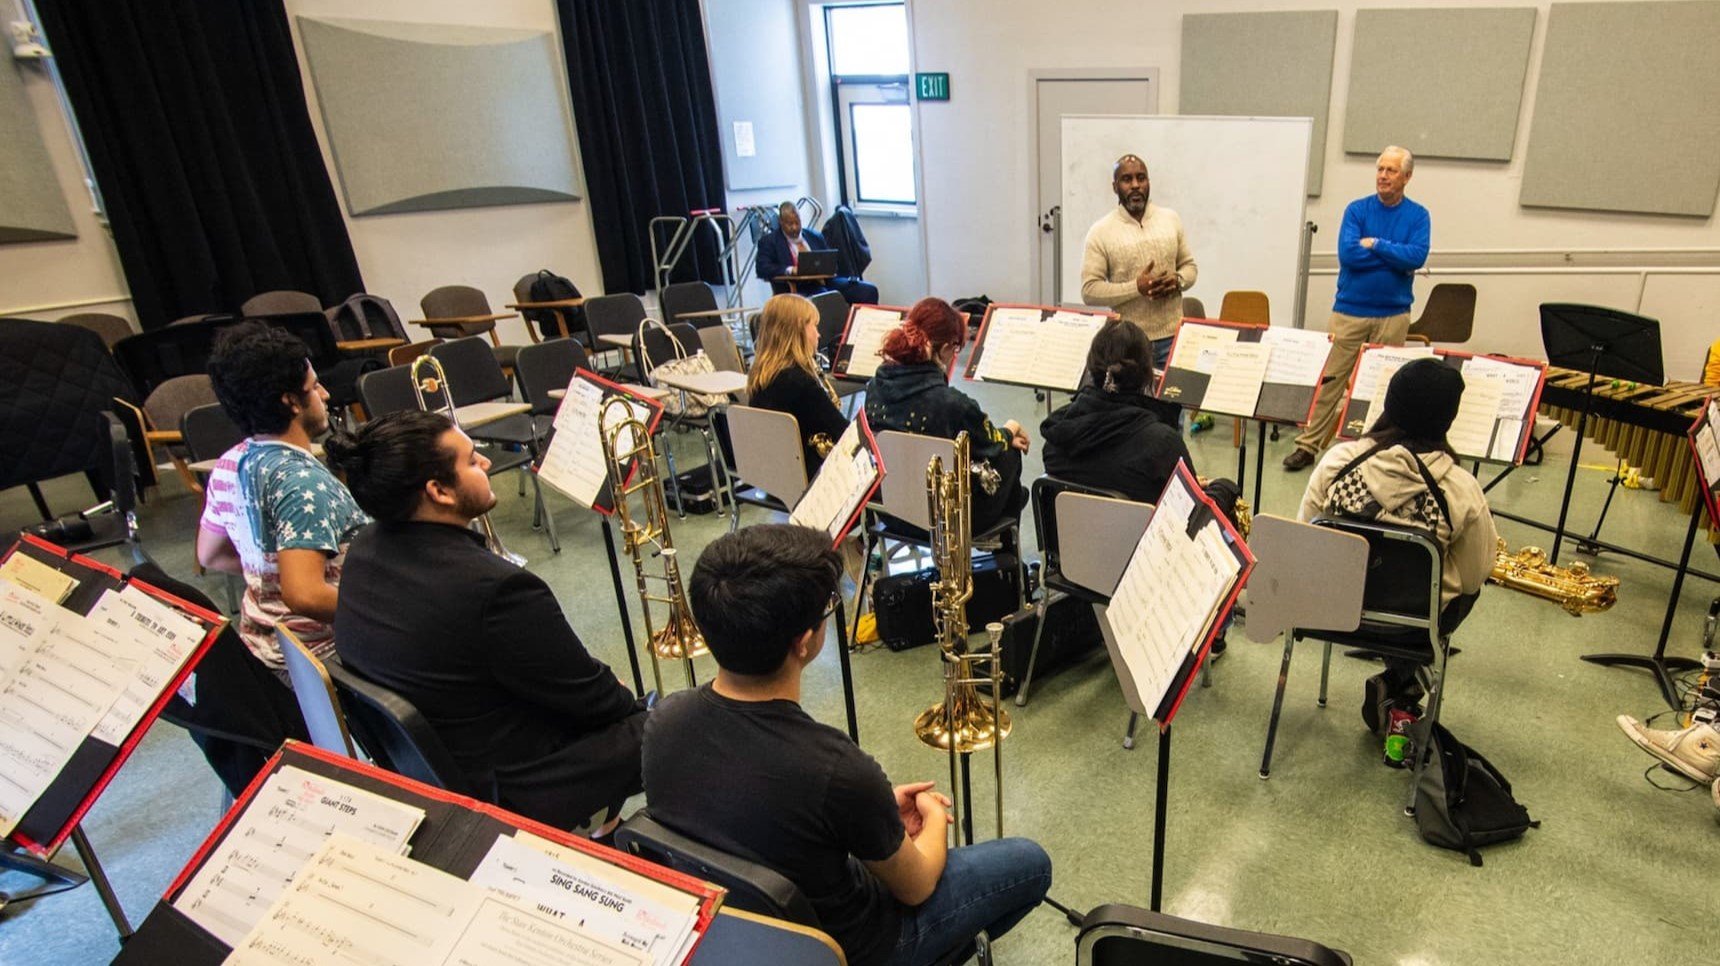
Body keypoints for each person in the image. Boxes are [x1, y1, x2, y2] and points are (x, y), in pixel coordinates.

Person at [644, 524, 1051, 966]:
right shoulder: (835, 767)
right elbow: (915, 886)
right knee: (1030, 863)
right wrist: (934, 819)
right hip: (849, 948)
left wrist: (870, 816)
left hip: (739, 932)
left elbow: (757, 811)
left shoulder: (664, 719)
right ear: (804, 642)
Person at [326, 410, 646, 835]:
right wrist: (627, 702)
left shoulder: (364, 550)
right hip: (513, 787)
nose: (487, 464)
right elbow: (596, 700)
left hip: (442, 766)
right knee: (672, 723)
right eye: (473, 460)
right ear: (438, 491)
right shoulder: (497, 589)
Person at [1298, 358, 1496, 755]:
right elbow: (1475, 575)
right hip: (1411, 626)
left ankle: (1399, 684)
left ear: (1389, 402)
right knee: (1461, 590)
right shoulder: (1461, 488)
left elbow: (1304, 538)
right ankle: (1402, 685)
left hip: (1331, 612)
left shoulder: (1337, 462)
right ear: (1448, 419)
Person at [197, 322, 369, 673]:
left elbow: (210, 554)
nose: (324, 395)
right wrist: (387, 607)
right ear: (291, 402)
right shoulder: (303, 482)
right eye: (314, 386)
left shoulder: (229, 464)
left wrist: (268, 577)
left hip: (264, 650)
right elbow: (305, 595)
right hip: (324, 656)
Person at [1285, 146, 1431, 471]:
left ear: (1406, 177)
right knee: (1331, 380)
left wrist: (1376, 244)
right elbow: (1349, 255)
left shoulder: (1418, 216)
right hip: (1349, 311)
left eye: (1391, 171)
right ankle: (1308, 446)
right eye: (1380, 169)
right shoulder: (1357, 210)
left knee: (1381, 387)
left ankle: (1372, 449)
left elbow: (1416, 257)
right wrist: (1394, 259)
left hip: (1393, 315)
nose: (1383, 176)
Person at [864, 297, 1029, 538]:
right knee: (1009, 453)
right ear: (943, 350)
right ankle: (1006, 563)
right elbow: (991, 444)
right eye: (955, 348)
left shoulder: (874, 387)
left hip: (892, 513)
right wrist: (1011, 429)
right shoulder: (953, 404)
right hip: (949, 520)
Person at [1041, 318, 1191, 504]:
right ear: (1146, 375)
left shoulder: (1056, 441)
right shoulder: (1162, 444)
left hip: (1072, 534)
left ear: (1090, 368)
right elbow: (1189, 512)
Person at [1079, 154, 1198, 370]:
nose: (1135, 185)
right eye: (1127, 179)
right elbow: (1089, 290)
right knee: (1133, 404)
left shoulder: (1170, 219)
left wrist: (1177, 281)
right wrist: (1136, 287)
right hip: (1127, 344)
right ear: (1115, 187)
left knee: (1170, 403)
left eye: (1141, 178)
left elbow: (1190, 267)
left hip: (1174, 337)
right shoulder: (1100, 232)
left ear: (1148, 182)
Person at [747, 293, 851, 469]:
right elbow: (844, 433)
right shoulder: (802, 384)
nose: (818, 335)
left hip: (774, 472)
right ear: (797, 331)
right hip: (811, 474)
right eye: (815, 326)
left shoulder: (759, 376)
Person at [757, 202, 881, 305]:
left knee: (868, 291)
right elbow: (762, 268)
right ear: (781, 222)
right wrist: (789, 270)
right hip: (797, 288)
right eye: (790, 224)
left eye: (797, 222)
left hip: (826, 282)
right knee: (826, 298)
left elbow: (832, 263)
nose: (794, 227)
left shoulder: (814, 236)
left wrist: (827, 268)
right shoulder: (770, 241)